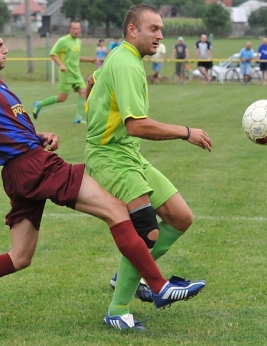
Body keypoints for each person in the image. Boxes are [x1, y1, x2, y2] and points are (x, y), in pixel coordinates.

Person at [0, 22, 202, 326]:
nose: (5, 48)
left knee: (20, 257)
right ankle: (159, 287)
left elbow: (9, 132)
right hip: (33, 166)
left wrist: (39, 136)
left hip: (21, 170)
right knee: (117, 210)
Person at [85, 4, 212, 330]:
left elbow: (93, 80)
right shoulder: (127, 64)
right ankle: (118, 310)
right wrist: (187, 133)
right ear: (132, 30)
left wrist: (94, 95)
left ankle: (128, 275)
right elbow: (137, 125)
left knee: (181, 217)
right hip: (111, 157)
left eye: (161, 29)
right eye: (153, 29)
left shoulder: (120, 56)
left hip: (130, 155)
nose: (159, 35)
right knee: (148, 232)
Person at [32, 21, 96, 124]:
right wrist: (61, 65)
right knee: (62, 98)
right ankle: (39, 104)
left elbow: (76, 57)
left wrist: (91, 60)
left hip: (76, 73)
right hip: (66, 74)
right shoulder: (63, 41)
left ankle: (78, 118)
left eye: (78, 29)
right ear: (70, 29)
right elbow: (53, 54)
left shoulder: (78, 42)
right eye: (74, 28)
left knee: (83, 92)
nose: (76, 31)